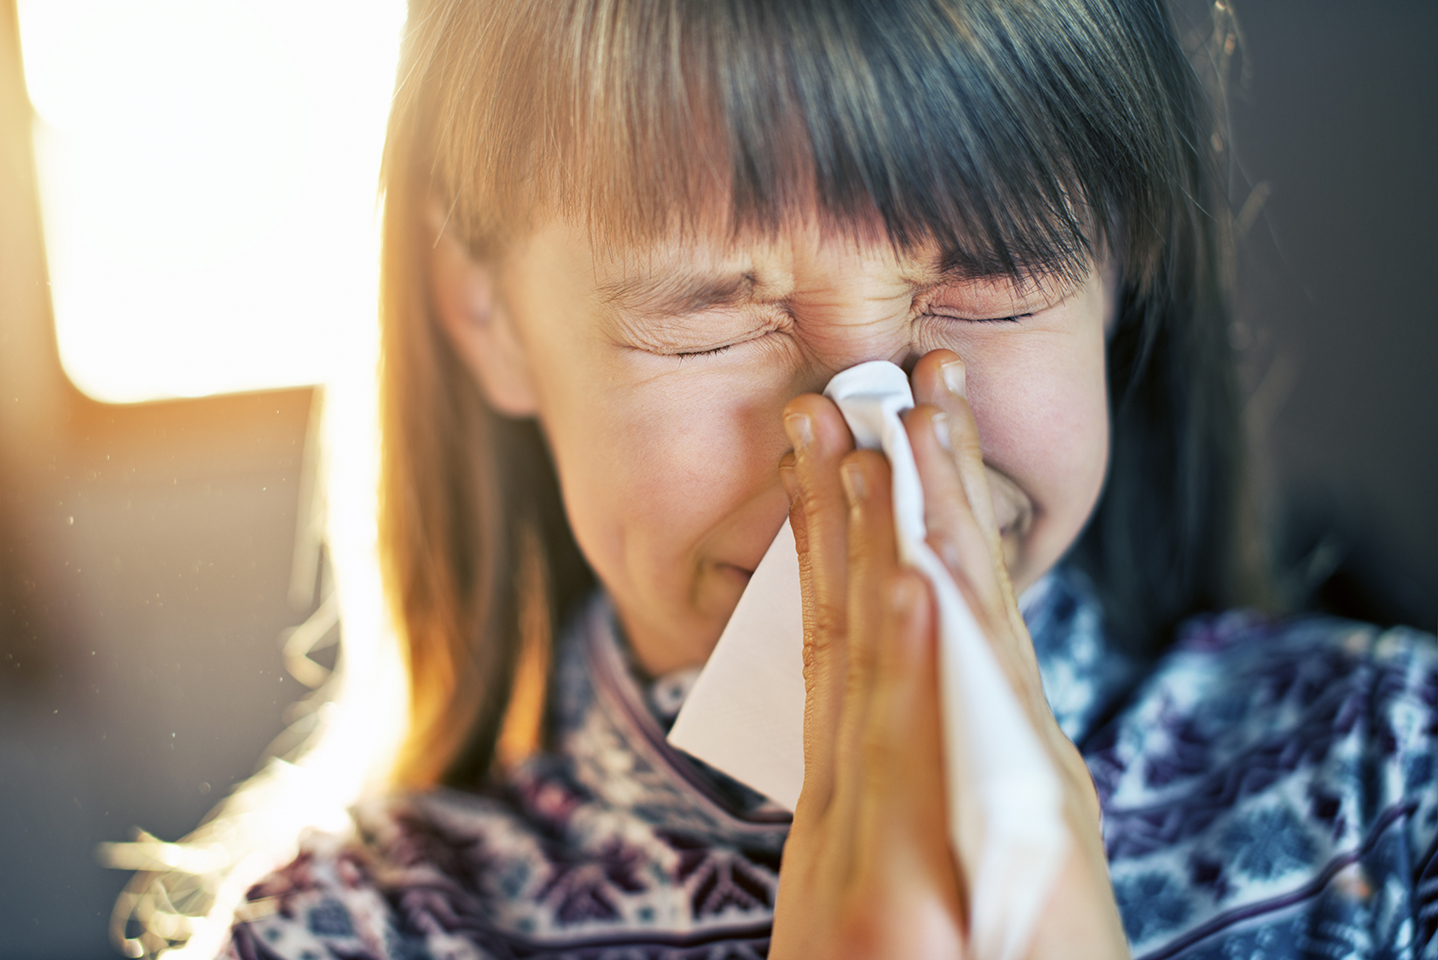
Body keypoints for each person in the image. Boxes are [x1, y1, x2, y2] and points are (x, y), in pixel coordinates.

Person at [201, 0, 1438, 957]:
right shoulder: (332, 932)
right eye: (710, 316)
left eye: (990, 283)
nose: (870, 440)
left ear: (1121, 265)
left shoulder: (1391, 785)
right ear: (487, 312)